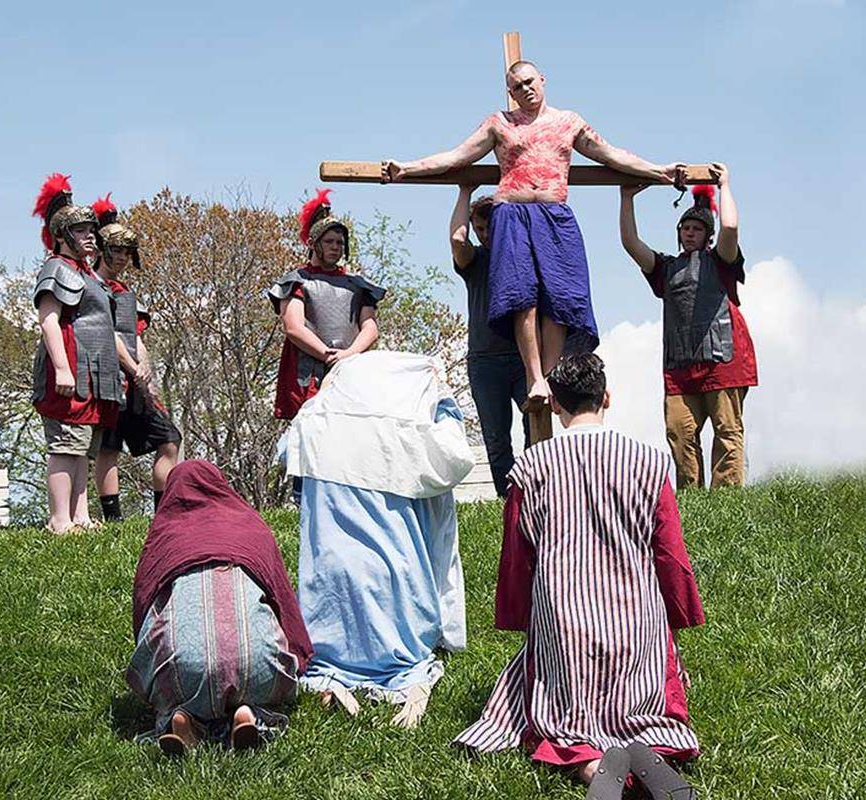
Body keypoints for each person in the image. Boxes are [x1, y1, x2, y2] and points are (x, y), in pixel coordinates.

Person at [454, 353, 704, 800]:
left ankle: (590, 766)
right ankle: (650, 753)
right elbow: (669, 552)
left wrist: (519, 616)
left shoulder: (532, 468)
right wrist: (680, 615)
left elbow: (518, 557)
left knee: (564, 719)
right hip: (636, 621)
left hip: (564, 624)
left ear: (554, 405)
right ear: (607, 397)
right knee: (647, 706)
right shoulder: (647, 461)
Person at [384, 61, 684, 416]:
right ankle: (534, 378)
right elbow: (456, 156)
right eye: (516, 87)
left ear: (542, 80)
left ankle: (551, 375)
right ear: (509, 92)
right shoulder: (500, 123)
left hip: (554, 214)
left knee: (559, 297)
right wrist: (407, 168)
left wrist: (659, 171)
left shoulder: (568, 122)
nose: (524, 89)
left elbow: (611, 153)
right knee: (521, 295)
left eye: (529, 82)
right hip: (512, 212)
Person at [284, 351, 473, 727]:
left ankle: (333, 678)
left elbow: (290, 463)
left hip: (330, 585)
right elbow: (455, 458)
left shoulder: (314, 421)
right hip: (394, 581)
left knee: (333, 611)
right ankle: (398, 680)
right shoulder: (407, 433)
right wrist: (446, 405)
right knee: (400, 613)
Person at [127, 460, 312, 756]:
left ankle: (181, 718)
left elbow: (144, 606)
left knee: (180, 667)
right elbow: (283, 601)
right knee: (254, 662)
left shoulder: (164, 534)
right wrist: (298, 654)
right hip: (258, 665)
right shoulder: (251, 525)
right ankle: (250, 714)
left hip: (180, 671)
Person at [619, 163, 756, 489]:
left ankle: (726, 503)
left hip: (724, 360)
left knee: (727, 431)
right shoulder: (665, 268)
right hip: (680, 365)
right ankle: (690, 501)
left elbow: (731, 228)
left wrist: (725, 185)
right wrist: (627, 199)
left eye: (696, 228)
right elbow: (630, 243)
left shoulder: (721, 260)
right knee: (679, 433)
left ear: (707, 235)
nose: (689, 232)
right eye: (685, 228)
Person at [29, 173, 123, 534]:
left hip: (91, 370)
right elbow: (49, 320)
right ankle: (59, 519)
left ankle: (80, 516)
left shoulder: (84, 273)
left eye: (90, 229)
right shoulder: (57, 268)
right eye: (81, 230)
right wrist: (64, 369)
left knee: (82, 446)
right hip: (68, 368)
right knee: (65, 445)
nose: (90, 236)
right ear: (64, 236)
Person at [89, 194, 183, 519]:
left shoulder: (125, 291)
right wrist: (131, 366)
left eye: (127, 252)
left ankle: (163, 516)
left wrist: (145, 372)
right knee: (109, 448)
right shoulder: (90, 287)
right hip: (104, 377)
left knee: (170, 439)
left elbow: (134, 336)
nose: (121, 257)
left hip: (132, 380)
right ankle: (113, 519)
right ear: (102, 249)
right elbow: (106, 333)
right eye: (115, 249)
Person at [268, 190, 385, 420]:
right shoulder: (297, 281)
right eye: (329, 241)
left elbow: (370, 328)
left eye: (340, 243)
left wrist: (348, 355)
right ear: (314, 244)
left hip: (349, 370)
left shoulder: (358, 285)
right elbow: (293, 327)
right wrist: (328, 355)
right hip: (308, 374)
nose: (336, 247)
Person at [450, 186, 528, 497]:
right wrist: (464, 191)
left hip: (523, 356)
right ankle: (506, 498)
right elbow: (458, 240)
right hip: (484, 360)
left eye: (490, 227)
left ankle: (536, 490)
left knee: (536, 427)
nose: (484, 235)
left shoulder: (522, 257)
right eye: (479, 228)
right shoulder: (475, 261)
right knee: (496, 439)